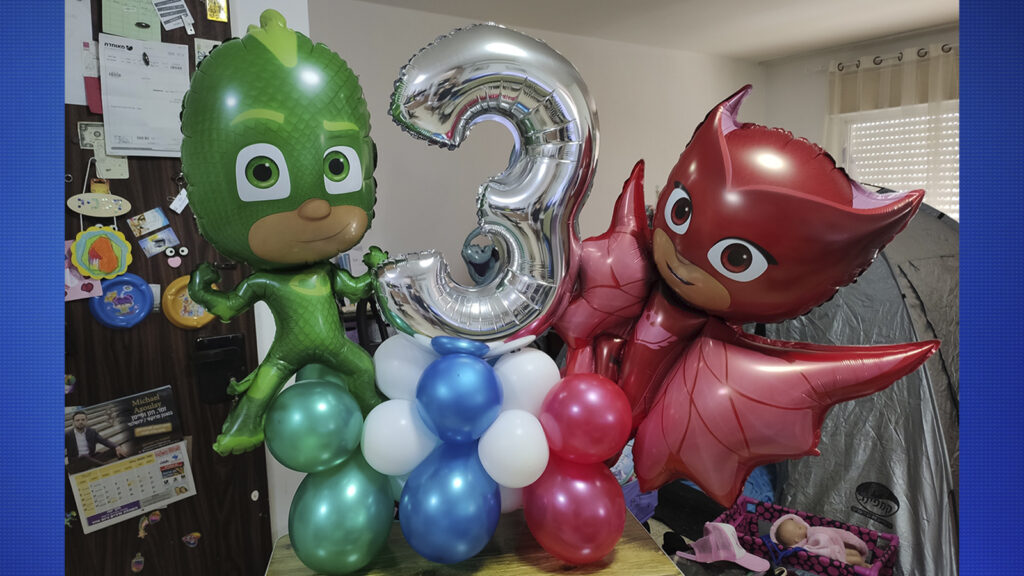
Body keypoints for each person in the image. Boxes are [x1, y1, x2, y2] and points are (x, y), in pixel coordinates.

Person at [770, 514, 871, 567]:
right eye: (799, 528)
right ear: (797, 539)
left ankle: (865, 564)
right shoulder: (804, 549)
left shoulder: (810, 532)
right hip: (837, 556)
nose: (802, 525)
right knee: (856, 560)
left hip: (839, 547)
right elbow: (820, 552)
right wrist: (833, 552)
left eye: (799, 524)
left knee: (855, 553)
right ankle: (866, 568)